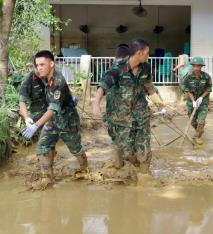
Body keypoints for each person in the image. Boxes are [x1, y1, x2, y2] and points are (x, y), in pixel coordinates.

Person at [22, 50, 88, 187]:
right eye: (37, 65)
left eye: (42, 64)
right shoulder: (44, 76)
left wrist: (36, 126)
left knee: (75, 148)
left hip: (67, 120)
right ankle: (47, 178)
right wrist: (28, 118)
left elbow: (52, 109)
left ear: (51, 64)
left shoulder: (57, 80)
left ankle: (85, 168)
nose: (39, 68)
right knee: (42, 147)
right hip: (52, 121)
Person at [93, 38, 155, 174]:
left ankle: (144, 181)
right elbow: (103, 86)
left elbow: (148, 83)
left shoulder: (146, 67)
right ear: (139, 52)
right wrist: (96, 104)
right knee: (127, 149)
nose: (148, 56)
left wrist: (155, 97)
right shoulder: (117, 69)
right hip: (120, 117)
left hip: (141, 114)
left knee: (144, 149)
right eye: (147, 53)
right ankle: (123, 164)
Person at [180, 57, 212, 145]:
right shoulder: (188, 77)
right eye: (195, 66)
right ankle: (200, 130)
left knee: (200, 120)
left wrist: (201, 98)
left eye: (198, 66)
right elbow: (187, 89)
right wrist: (194, 101)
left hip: (203, 101)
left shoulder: (206, 77)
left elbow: (208, 89)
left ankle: (197, 137)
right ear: (193, 66)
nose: (196, 68)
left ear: (201, 66)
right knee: (193, 121)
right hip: (191, 101)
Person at [104, 44, 131, 142]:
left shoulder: (110, 69)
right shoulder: (120, 70)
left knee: (116, 140)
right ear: (128, 56)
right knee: (124, 144)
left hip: (111, 113)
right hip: (121, 115)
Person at [18, 68, 47, 134]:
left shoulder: (52, 73)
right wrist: (26, 118)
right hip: (38, 114)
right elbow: (22, 101)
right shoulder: (28, 79)